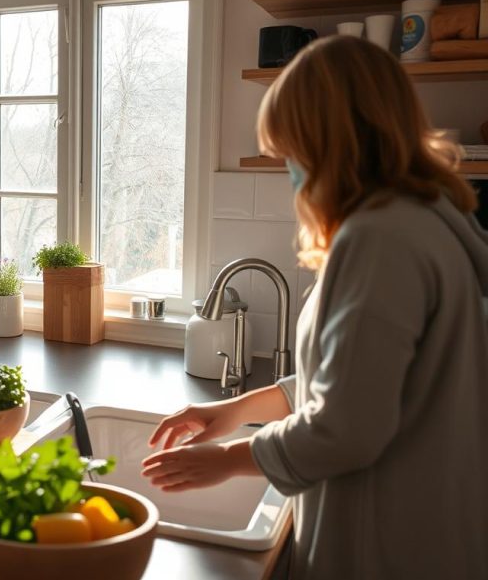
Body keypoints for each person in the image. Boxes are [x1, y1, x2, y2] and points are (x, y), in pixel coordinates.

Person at [141, 36, 488, 579]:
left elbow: (347, 425)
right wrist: (234, 410)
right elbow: (358, 381)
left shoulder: (380, 238)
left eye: (294, 151)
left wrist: (230, 460)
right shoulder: (425, 220)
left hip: (389, 548)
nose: (292, 173)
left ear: (332, 141)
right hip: (430, 532)